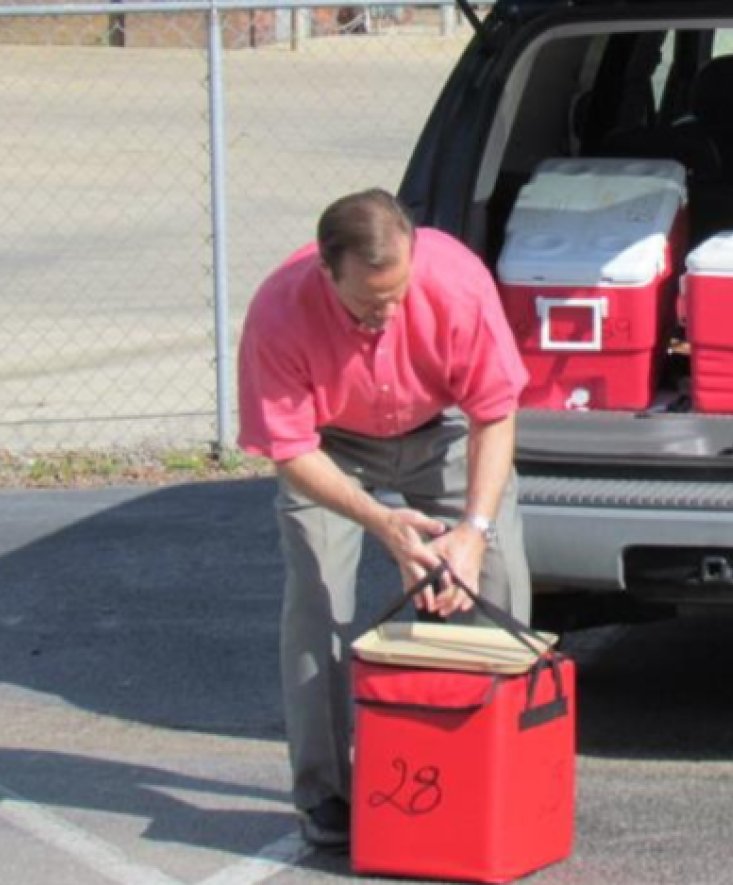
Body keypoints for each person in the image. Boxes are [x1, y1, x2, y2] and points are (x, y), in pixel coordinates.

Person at [236, 188, 532, 850]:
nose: (388, 311)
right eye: (370, 301)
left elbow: (494, 414)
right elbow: (288, 447)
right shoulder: (278, 311)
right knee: (318, 601)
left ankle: (502, 767)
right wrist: (384, 523)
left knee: (504, 578)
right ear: (326, 270)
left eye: (398, 294)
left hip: (442, 431)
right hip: (331, 447)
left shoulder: (456, 284)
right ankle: (325, 793)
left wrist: (472, 534)